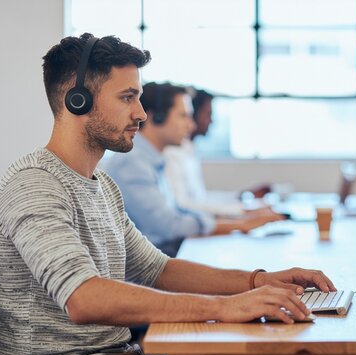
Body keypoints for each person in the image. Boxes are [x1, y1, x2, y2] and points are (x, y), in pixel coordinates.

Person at [0, 33, 336, 355]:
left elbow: (157, 268)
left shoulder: (102, 186)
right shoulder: (35, 184)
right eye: (127, 98)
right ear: (78, 102)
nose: (140, 113)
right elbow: (83, 298)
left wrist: (258, 281)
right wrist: (223, 307)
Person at [102, 82, 283, 257]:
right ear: (156, 116)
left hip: (165, 255)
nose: (191, 125)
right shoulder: (133, 163)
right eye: (183, 116)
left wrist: (238, 219)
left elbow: (179, 210)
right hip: (153, 266)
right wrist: (238, 224)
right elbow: (170, 225)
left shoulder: (153, 159)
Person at [163, 89, 272, 218]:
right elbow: (184, 205)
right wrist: (243, 211)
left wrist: (241, 197)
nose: (211, 121)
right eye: (208, 114)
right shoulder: (171, 153)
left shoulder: (187, 149)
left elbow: (201, 198)